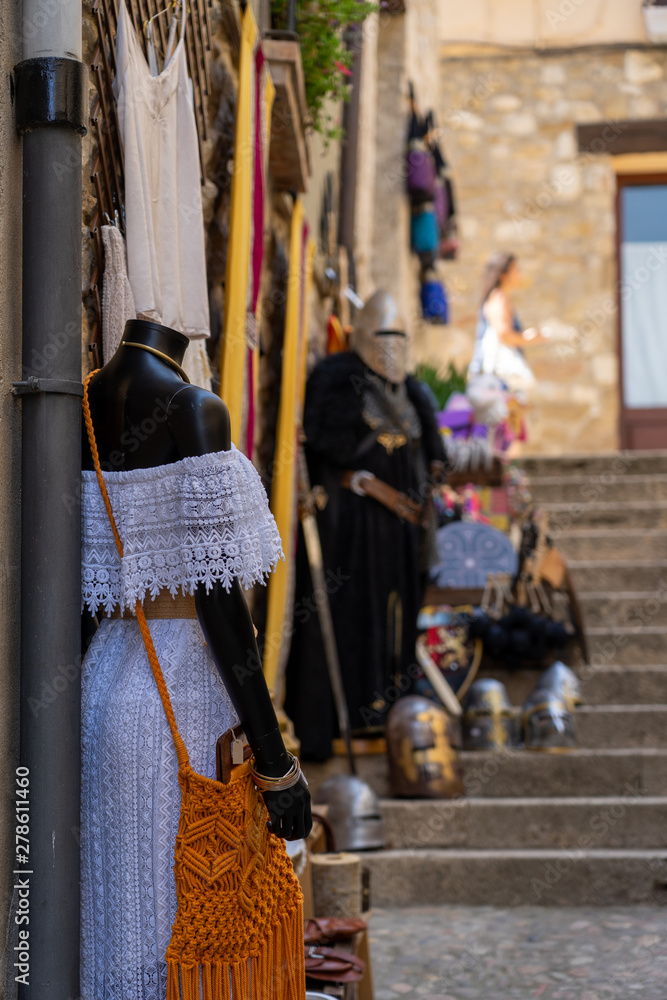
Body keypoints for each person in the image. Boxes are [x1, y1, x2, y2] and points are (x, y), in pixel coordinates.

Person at [80, 319, 311, 1000]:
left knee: (112, 912)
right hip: (175, 688)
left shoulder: (85, 402)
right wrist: (275, 765)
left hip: (98, 680)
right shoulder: (194, 409)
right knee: (181, 917)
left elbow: (79, 594)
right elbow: (219, 604)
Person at [284, 291, 446, 760]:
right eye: (384, 334)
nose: (391, 344)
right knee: (354, 617)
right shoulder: (337, 382)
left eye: (399, 335)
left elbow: (432, 455)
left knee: (397, 622)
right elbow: (323, 450)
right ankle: (346, 718)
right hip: (354, 532)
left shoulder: (413, 393)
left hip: (401, 534)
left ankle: (388, 715)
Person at [468, 252, 546, 451]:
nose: (519, 274)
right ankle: (507, 477)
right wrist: (528, 338)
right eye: (516, 270)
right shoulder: (499, 298)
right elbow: (504, 334)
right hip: (501, 379)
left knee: (506, 429)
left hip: (496, 379)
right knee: (509, 429)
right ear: (503, 274)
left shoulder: (497, 298)